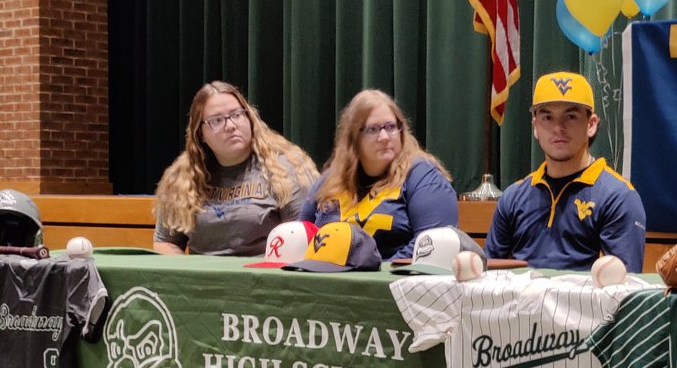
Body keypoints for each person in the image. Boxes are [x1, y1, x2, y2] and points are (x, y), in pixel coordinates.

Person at [484, 71, 646, 272]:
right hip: (519, 294)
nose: (558, 127)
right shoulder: (513, 197)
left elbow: (623, 285)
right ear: (535, 126)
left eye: (571, 116)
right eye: (547, 117)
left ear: (591, 124)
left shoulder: (618, 198)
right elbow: (487, 276)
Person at [153, 81, 319, 256]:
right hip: (202, 273)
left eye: (237, 115)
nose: (231, 125)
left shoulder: (286, 168)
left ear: (249, 118)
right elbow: (166, 242)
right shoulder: (182, 177)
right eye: (217, 120)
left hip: (263, 271)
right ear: (200, 133)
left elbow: (303, 238)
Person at [300, 89, 458, 261]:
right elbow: (302, 238)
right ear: (353, 137)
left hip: (391, 276)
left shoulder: (422, 177)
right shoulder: (330, 181)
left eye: (391, 127)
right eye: (372, 129)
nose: (384, 137)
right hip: (329, 275)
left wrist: (373, 270)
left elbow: (432, 245)